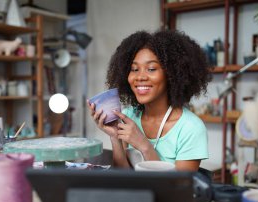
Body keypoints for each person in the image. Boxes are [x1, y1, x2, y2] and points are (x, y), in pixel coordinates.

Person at [88, 30, 212, 171]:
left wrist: (144, 146)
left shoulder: (190, 128)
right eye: (134, 69)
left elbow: (178, 189)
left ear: (171, 74)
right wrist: (115, 137)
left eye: (151, 69)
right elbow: (123, 175)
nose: (140, 77)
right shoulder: (128, 116)